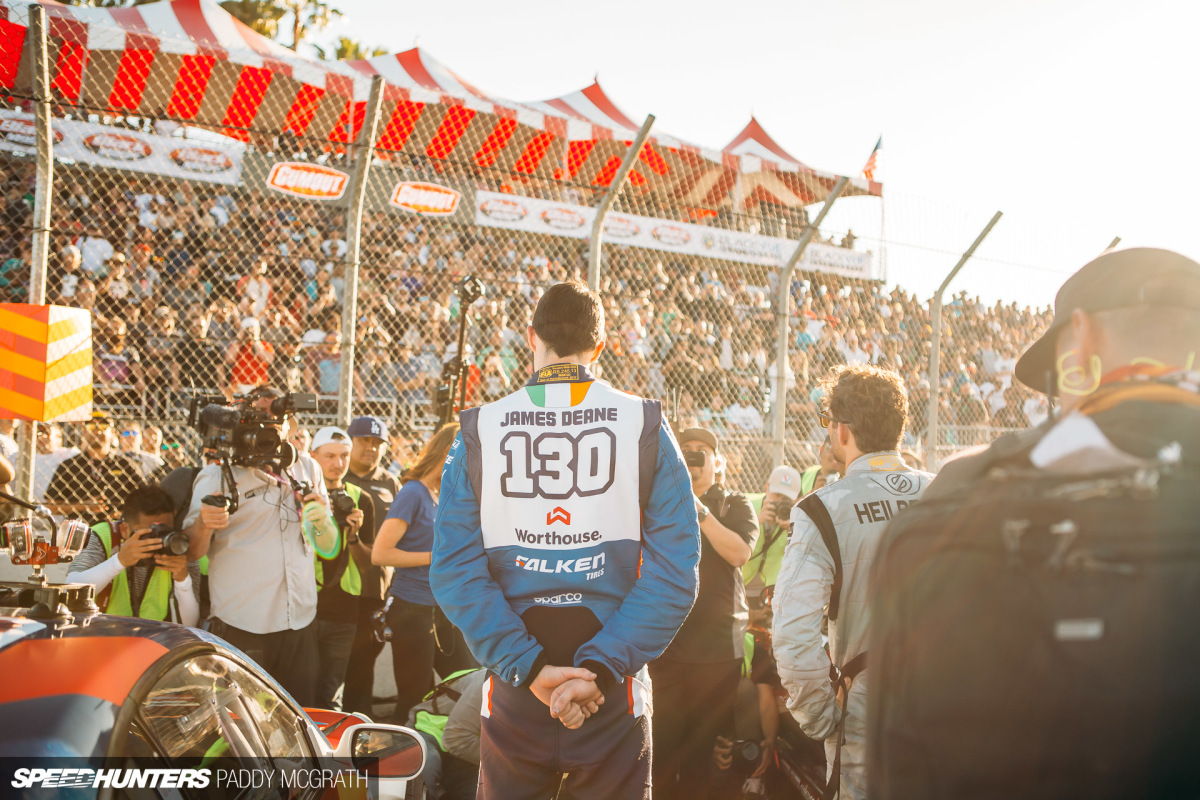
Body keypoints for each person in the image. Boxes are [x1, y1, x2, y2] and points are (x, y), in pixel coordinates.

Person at [430, 282, 700, 800]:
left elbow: (453, 570)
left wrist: (528, 667)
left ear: (530, 338)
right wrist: (598, 669)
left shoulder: (482, 429)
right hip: (611, 687)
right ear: (599, 347)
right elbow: (675, 573)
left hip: (515, 687)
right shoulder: (643, 423)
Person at [772, 364, 934, 800]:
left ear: (841, 430)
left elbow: (791, 632)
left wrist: (821, 718)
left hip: (868, 715)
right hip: (949, 709)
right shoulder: (947, 493)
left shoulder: (821, 509)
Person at [182, 387, 338, 706]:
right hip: (243, 624)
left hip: (301, 620)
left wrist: (321, 516)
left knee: (300, 715)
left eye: (275, 417)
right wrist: (204, 523)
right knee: (244, 727)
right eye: (257, 416)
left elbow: (327, 545)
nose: (268, 425)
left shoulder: (307, 468)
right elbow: (192, 553)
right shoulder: (217, 475)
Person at [652, 427, 759, 800]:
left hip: (715, 652)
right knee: (661, 749)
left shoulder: (734, 504)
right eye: (686, 453)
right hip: (666, 646)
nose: (694, 460)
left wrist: (698, 510)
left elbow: (739, 554)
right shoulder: (660, 501)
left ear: (717, 462)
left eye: (702, 453)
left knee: (703, 756)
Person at [372, 423, 474, 724]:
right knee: (413, 697)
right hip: (412, 609)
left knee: (466, 681)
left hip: (442, 608)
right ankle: (400, 762)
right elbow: (381, 553)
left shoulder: (443, 494)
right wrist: (436, 557)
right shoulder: (413, 492)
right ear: (448, 453)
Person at [67, 485, 202, 626]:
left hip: (154, 639)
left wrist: (183, 581)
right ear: (125, 530)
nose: (157, 541)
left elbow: (189, 625)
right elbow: (71, 590)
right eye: (149, 534)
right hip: (100, 633)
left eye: (164, 532)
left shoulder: (177, 544)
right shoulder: (102, 536)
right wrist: (119, 562)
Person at [308, 426, 374, 710]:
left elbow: (368, 563)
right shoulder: (302, 495)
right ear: (313, 457)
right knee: (298, 685)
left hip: (344, 609)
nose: (338, 464)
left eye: (344, 456)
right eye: (330, 456)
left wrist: (353, 536)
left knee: (331, 693)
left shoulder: (361, 498)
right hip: (303, 607)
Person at [342, 415, 402, 716]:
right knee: (339, 661)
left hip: (377, 589)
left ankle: (358, 722)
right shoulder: (339, 476)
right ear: (350, 442)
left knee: (364, 662)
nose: (371, 447)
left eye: (377, 442)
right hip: (340, 587)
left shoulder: (390, 482)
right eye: (365, 440)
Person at [45, 411, 146, 526]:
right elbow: (50, 506)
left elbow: (145, 500)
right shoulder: (70, 465)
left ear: (112, 433)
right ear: (83, 431)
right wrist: (84, 506)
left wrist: (120, 515)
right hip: (80, 532)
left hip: (118, 530)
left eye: (103, 426)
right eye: (91, 426)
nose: (97, 430)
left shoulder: (127, 465)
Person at [743, 464, 803, 625]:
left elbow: (801, 560)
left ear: (797, 498)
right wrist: (755, 522)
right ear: (767, 488)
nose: (780, 503)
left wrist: (793, 531)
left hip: (773, 593)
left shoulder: (800, 518)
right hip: (740, 586)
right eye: (776, 495)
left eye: (786, 499)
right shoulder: (745, 504)